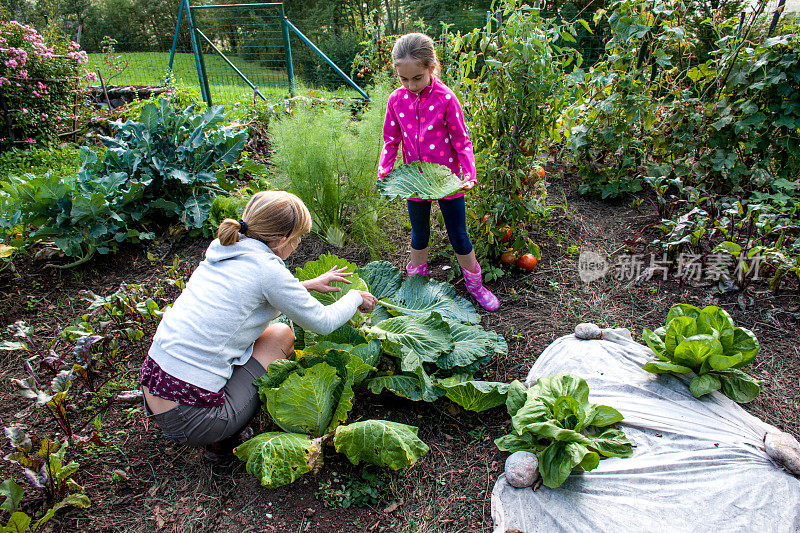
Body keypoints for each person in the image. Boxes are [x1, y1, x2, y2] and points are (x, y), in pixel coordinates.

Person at [140, 190, 378, 458]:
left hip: (154, 388)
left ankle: (217, 419)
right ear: (281, 239)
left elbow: (244, 296)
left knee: (252, 332)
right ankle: (222, 438)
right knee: (281, 335)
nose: (300, 242)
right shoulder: (268, 270)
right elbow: (322, 323)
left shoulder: (225, 247)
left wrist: (306, 285)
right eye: (298, 237)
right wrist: (355, 297)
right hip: (192, 420)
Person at [378, 32, 499, 312]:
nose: (410, 85)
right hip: (415, 180)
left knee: (459, 235)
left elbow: (461, 141)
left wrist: (468, 174)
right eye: (403, 79)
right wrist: (385, 168)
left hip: (447, 181)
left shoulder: (446, 98)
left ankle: (475, 286)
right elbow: (391, 140)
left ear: (431, 68)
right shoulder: (396, 100)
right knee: (419, 235)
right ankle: (417, 286)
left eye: (417, 78)